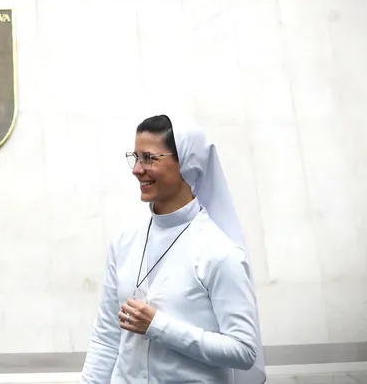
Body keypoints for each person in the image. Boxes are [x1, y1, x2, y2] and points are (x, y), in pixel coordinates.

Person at [79, 114, 266, 384]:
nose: (136, 169)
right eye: (136, 157)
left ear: (186, 163)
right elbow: (106, 337)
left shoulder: (219, 252)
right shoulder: (123, 242)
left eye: (149, 158)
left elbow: (244, 350)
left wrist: (158, 326)